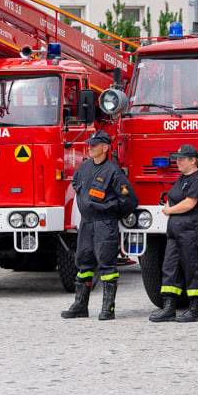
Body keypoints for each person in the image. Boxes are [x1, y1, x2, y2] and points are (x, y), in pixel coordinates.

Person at [62, 130, 137, 320]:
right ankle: (80, 306)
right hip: (86, 223)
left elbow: (129, 201)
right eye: (89, 144)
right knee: (83, 262)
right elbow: (76, 183)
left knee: (106, 264)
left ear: (105, 148)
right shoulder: (85, 167)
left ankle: (108, 309)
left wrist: (108, 210)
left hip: (105, 223)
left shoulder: (113, 171)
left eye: (94, 145)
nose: (90, 147)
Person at [149, 144, 198, 323]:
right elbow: (173, 196)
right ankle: (169, 308)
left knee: (192, 268)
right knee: (169, 268)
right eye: (177, 158)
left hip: (192, 231)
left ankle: (195, 310)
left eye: (182, 159)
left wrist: (169, 210)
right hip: (175, 231)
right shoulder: (182, 178)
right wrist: (169, 205)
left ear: (193, 161)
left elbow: (189, 203)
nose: (178, 161)